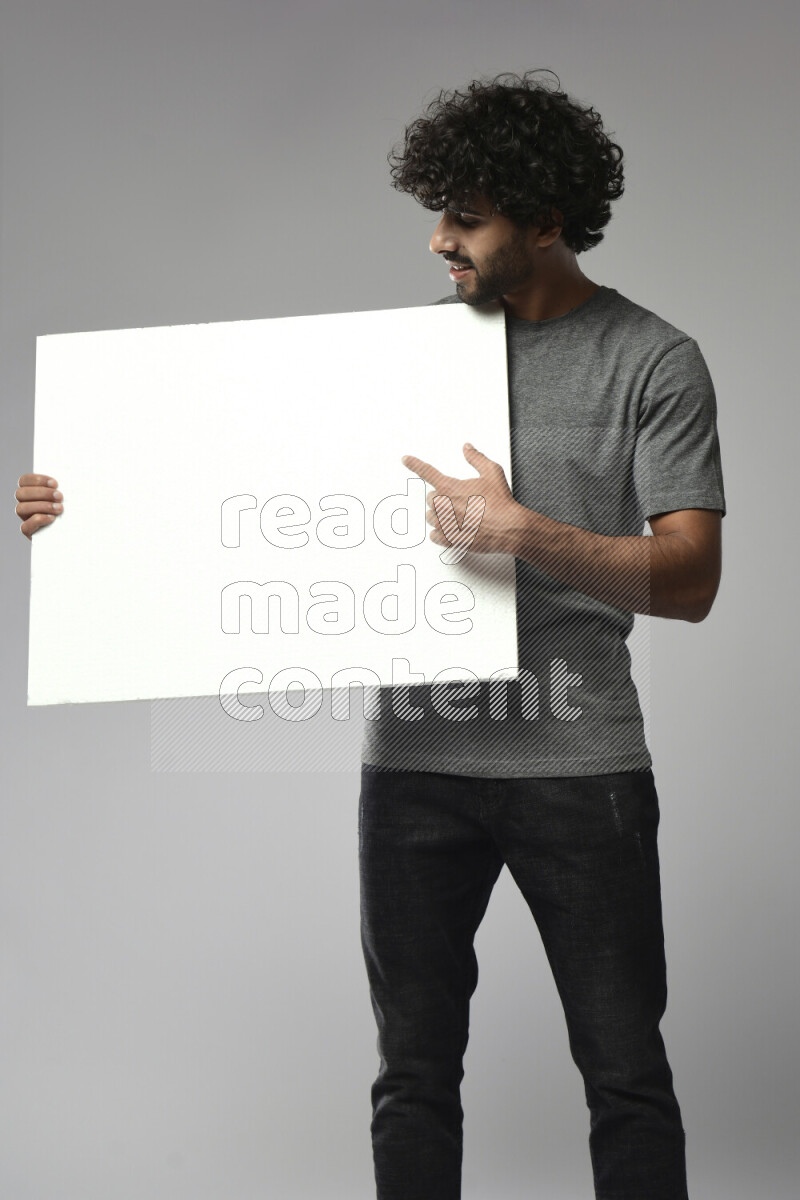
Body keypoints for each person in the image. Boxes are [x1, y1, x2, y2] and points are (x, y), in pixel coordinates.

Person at [16, 70, 725, 1200]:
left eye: (468, 217)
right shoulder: (399, 358)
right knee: (411, 1077)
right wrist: (85, 511)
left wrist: (524, 530)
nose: (438, 240)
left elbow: (691, 582)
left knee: (625, 1076)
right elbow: (232, 491)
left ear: (547, 220)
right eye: (434, 210)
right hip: (412, 771)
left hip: (578, 765)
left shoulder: (649, 359)